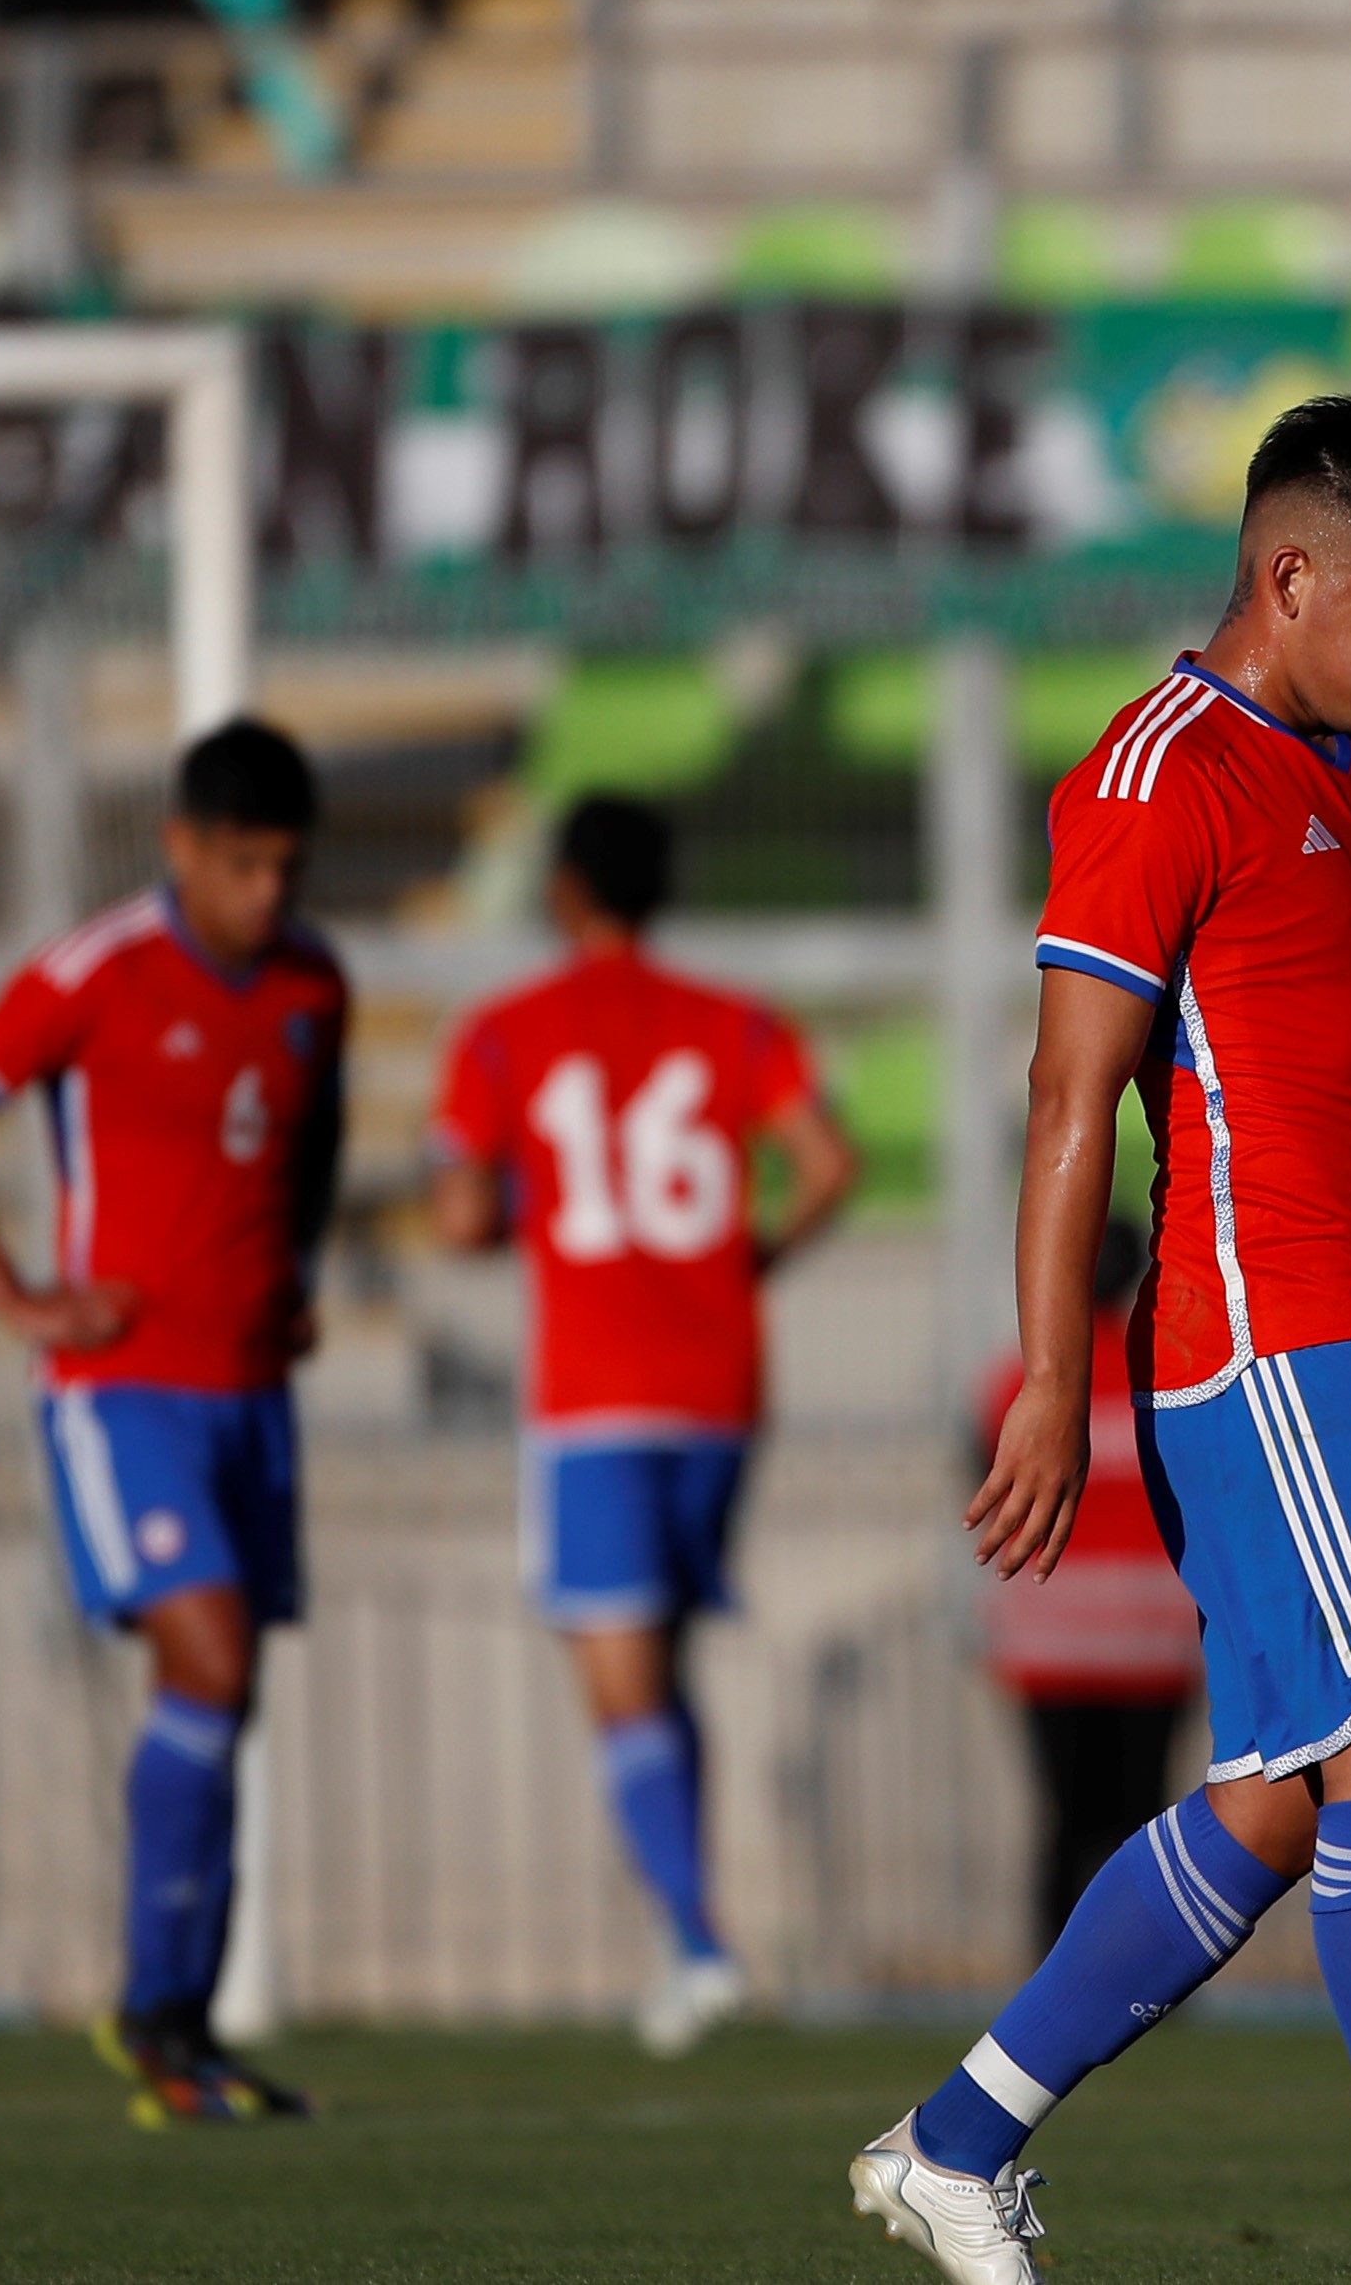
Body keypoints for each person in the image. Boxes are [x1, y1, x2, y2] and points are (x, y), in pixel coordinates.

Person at [845, 395, 1351, 2285]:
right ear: (1285, 577)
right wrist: (1053, 1379)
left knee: (1284, 1800)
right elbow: (1072, 1102)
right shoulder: (1159, 776)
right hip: (1268, 1326)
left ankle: (953, 2144)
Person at [0, 720, 347, 2128]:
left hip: (249, 1386)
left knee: (227, 1691)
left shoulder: (314, 981)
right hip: (120, 1386)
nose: (265, 892)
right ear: (181, 848)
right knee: (204, 1652)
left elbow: (312, 1133)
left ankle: (182, 2023)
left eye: (285, 866)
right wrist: (15, 1294)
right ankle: (155, 2010)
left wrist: (302, 1272)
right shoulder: (98, 971)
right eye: (242, 864)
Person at [423, 793, 856, 2055]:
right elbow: (826, 1162)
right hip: (720, 1385)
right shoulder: (734, 1024)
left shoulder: (505, 1033)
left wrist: (539, 1218)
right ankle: (691, 1939)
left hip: (600, 1393)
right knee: (657, 1669)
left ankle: (704, 1946)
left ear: (563, 892)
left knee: (620, 1684)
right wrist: (750, 1258)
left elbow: (455, 1219)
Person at [976, 1220, 1205, 1951]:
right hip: (1154, 1637)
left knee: (1064, 1815)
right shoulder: (1170, 1371)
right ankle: (1150, 1972)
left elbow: (983, 1482)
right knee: (1144, 1817)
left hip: (1052, 1638)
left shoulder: (1020, 1383)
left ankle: (1054, 1971)